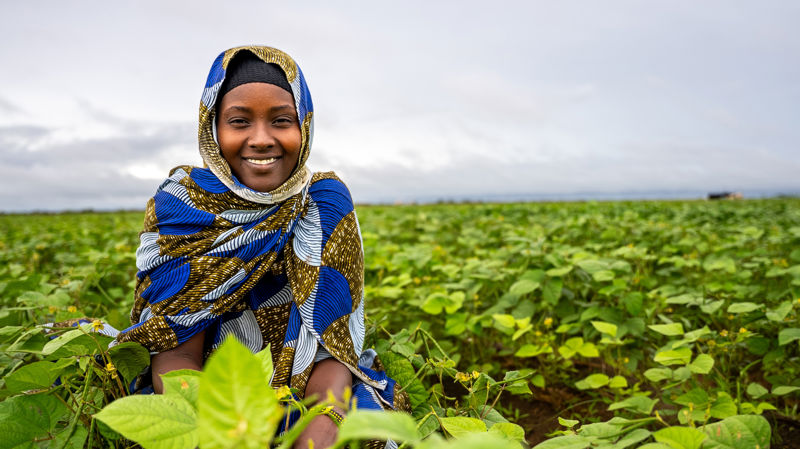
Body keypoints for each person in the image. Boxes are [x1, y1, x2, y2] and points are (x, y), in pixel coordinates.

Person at [115, 46, 408, 449]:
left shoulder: (325, 203)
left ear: (303, 126)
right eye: (239, 121)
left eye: (281, 121)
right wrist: (219, 433)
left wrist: (321, 426)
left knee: (362, 434)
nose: (261, 139)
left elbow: (331, 353)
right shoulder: (183, 206)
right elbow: (176, 354)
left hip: (308, 393)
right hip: (209, 396)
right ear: (212, 128)